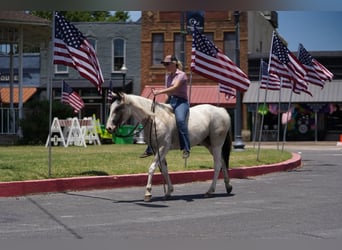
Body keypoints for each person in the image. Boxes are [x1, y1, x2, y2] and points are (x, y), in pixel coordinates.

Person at [151, 55, 191, 159]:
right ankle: (150, 148)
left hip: (181, 102)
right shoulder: (168, 76)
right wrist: (162, 105)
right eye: (164, 64)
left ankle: (186, 148)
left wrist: (158, 92)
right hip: (171, 101)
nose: (166, 66)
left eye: (167, 64)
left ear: (174, 63)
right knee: (156, 119)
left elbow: (175, 88)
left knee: (180, 121)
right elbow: (167, 94)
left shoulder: (181, 75)